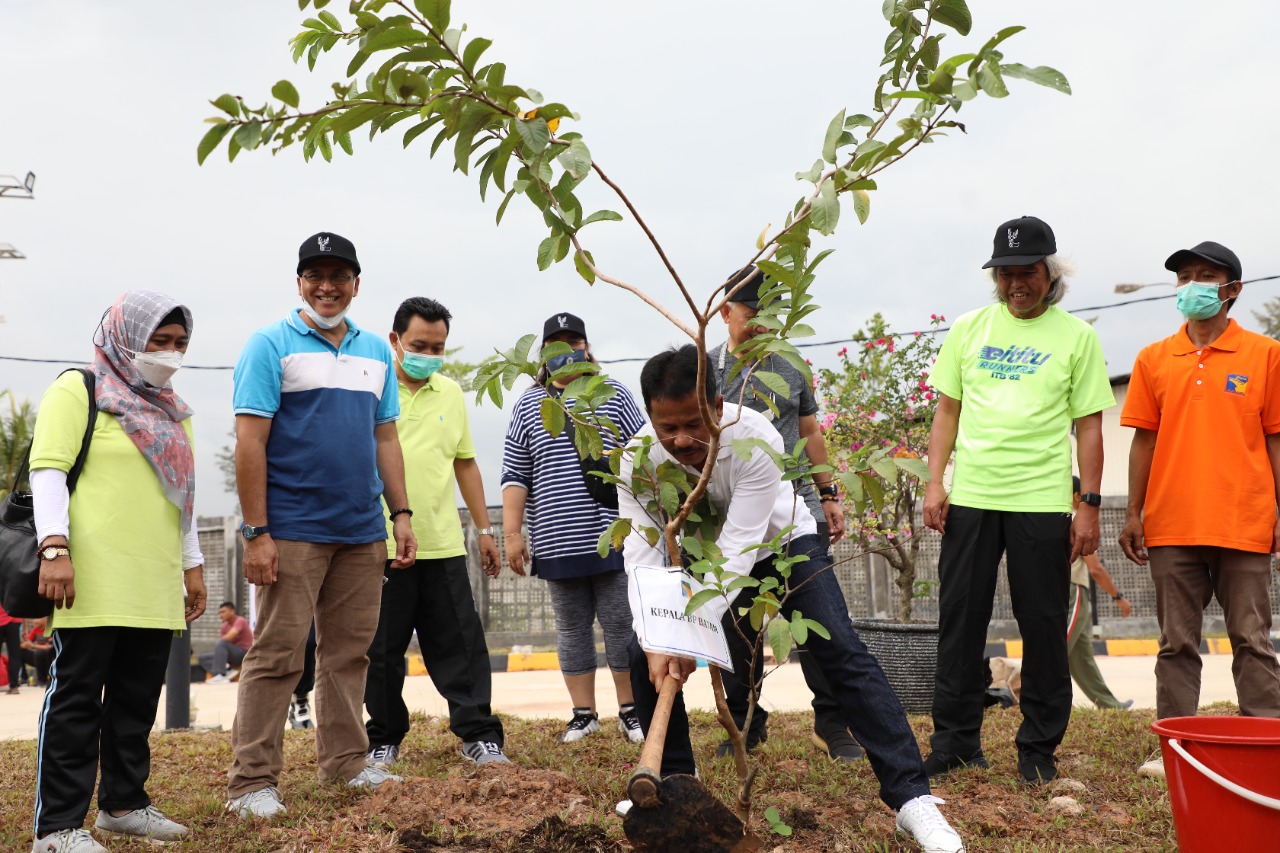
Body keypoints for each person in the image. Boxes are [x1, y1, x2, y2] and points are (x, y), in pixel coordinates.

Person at [619, 344, 964, 853]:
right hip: (701, 555)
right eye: (667, 427)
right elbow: (642, 552)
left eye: (694, 423)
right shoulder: (637, 459)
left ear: (717, 405)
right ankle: (673, 785)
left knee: (840, 649)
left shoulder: (753, 436)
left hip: (779, 543)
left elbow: (739, 549)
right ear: (650, 414)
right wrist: (657, 636)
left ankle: (912, 800)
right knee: (637, 650)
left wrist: (688, 637)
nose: (681, 439)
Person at [226, 232, 416, 820]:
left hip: (361, 529)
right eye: (316, 275)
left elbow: (385, 437)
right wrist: (257, 532)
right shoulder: (269, 344)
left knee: (350, 653)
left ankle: (346, 762)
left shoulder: (376, 352)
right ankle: (251, 782)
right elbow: (249, 442)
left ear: (357, 283)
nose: (327, 287)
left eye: (339, 275)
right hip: (292, 529)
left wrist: (400, 514)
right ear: (300, 282)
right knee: (279, 654)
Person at [922, 216, 1114, 785]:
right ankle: (955, 742)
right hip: (973, 498)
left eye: (1026, 272)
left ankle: (1038, 750)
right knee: (960, 622)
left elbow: (1089, 428)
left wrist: (1089, 505)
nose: (1015, 285)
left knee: (1043, 624)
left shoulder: (1076, 338)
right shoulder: (969, 328)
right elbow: (947, 411)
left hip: (1041, 501)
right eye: (1004, 274)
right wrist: (937, 482)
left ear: (1049, 273)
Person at [28, 290, 207, 851]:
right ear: (128, 335)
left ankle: (124, 806)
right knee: (77, 699)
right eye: (161, 341)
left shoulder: (173, 409)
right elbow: (48, 471)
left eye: (180, 343)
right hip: (91, 580)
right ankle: (57, 828)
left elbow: (184, 498)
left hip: (153, 581)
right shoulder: (77, 390)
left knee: (135, 700)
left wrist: (193, 566)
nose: (171, 353)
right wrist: (55, 549)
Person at [1118, 240, 1280, 778]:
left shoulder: (1266, 355)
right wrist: (1133, 512)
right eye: (1184, 276)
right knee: (1175, 645)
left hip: (1245, 519)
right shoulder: (1153, 358)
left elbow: (1276, 438)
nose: (1192, 286)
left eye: (1205, 277)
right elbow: (1143, 442)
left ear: (1233, 289)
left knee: (1253, 643)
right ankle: (1176, 750)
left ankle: (1264, 745)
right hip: (1171, 524)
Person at [712, 265, 860, 762]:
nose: (759, 326)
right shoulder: (705, 370)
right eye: (751, 315)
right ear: (725, 312)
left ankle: (832, 725)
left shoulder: (790, 364)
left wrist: (829, 494)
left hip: (797, 513)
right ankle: (745, 725)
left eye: (770, 318)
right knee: (738, 627)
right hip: (733, 525)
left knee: (817, 622)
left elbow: (810, 430)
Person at [364, 297, 511, 768]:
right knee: (382, 650)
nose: (428, 354)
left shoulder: (450, 391)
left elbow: (465, 462)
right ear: (395, 341)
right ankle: (383, 738)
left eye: (438, 347)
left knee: (462, 645)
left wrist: (485, 530)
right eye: (418, 345)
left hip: (443, 543)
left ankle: (479, 735)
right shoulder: (372, 388)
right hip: (382, 545)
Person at [502, 312, 649, 744]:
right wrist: (513, 534)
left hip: (614, 536)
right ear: (544, 353)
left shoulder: (614, 393)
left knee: (622, 625)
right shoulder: (529, 405)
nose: (567, 349)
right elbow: (515, 474)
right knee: (571, 628)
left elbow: (644, 455)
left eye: (575, 340)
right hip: (555, 540)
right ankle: (583, 714)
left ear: (588, 346)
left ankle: (631, 710)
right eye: (557, 343)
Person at [1066, 478, 1133, 710]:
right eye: (1086, 495)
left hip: (1065, 589)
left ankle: (1108, 704)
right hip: (1074, 590)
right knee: (1058, 648)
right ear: (1077, 497)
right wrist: (1118, 597)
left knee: (1081, 656)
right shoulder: (1078, 523)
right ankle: (1023, 696)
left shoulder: (1060, 519)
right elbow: (1095, 569)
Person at [199, 601, 253, 683]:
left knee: (221, 644)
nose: (221, 615)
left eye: (223, 612)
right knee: (203, 658)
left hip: (244, 653)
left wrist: (221, 642)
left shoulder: (240, 620)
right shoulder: (224, 626)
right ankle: (227, 671)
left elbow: (229, 636)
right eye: (220, 613)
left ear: (232, 611)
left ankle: (220, 674)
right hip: (231, 654)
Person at [21, 618, 54, 688]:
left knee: (42, 652)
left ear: (45, 619)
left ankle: (46, 679)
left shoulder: (50, 629)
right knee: (20, 652)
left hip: (49, 657)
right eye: (34, 619)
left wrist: (32, 645)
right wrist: (26, 643)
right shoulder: (35, 629)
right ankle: (23, 677)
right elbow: (25, 644)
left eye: (38, 618)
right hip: (38, 657)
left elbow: (49, 647)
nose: (34, 621)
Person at [0, 601, 21, 694]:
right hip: (14, 619)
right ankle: (14, 686)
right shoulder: (15, 585)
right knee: (14, 655)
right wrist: (25, 628)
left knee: (14, 655)